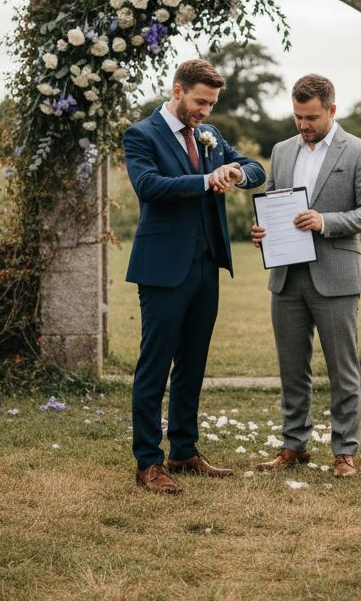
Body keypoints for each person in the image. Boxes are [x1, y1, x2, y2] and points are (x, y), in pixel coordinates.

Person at [123, 58, 265, 494]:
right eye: (200, 102)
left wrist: (236, 171)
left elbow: (255, 168)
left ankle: (184, 450)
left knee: (193, 363)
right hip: (163, 268)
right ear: (178, 90)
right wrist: (205, 180)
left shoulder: (211, 135)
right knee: (155, 366)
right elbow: (149, 186)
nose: (205, 111)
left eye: (212, 104)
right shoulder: (141, 134)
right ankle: (148, 462)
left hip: (206, 265)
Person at [250, 74, 361, 478]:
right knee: (292, 367)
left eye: (311, 117)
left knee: (343, 369)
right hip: (286, 277)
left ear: (331, 110)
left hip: (336, 275)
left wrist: (325, 221)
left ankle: (345, 451)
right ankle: (294, 445)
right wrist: (262, 231)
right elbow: (272, 203)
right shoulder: (281, 150)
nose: (303, 125)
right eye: (297, 117)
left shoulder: (359, 151)